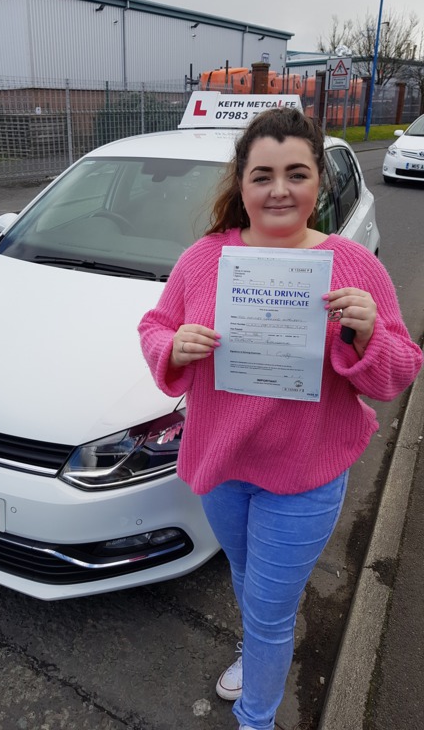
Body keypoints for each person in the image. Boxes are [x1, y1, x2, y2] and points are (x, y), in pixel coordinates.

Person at [137, 107, 422, 730]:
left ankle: (256, 718)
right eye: (263, 175)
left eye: (296, 173)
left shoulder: (354, 266)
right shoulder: (204, 258)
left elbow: (400, 371)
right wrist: (172, 347)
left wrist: (368, 333)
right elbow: (154, 327)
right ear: (241, 183)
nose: (279, 190)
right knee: (247, 577)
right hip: (225, 466)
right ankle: (256, 652)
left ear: (319, 179)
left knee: (270, 612)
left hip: (304, 476)